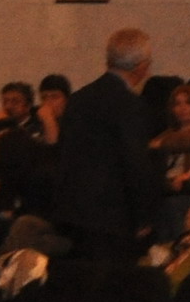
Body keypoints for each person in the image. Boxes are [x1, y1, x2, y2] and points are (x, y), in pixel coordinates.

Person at [55, 28, 165, 259]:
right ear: (140, 67)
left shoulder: (77, 99)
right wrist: (143, 217)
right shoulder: (131, 105)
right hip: (113, 216)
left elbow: (63, 153)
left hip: (73, 211)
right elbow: (135, 164)